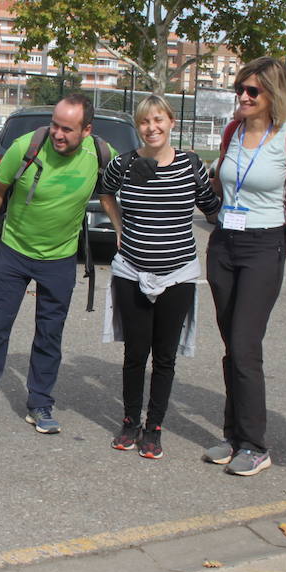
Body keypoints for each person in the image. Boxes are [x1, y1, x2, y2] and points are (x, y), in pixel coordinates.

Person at [0, 94, 105, 435]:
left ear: (87, 130)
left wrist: (124, 235)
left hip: (60, 258)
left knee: (50, 335)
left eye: (67, 128)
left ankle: (40, 404)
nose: (58, 133)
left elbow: (109, 196)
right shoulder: (27, 146)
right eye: (55, 124)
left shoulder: (99, 155)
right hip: (14, 251)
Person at [204, 56, 286, 476]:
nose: (243, 97)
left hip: (264, 246)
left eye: (253, 91)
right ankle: (233, 437)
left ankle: (255, 444)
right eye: (240, 90)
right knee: (233, 345)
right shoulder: (231, 132)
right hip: (225, 244)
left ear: (273, 94)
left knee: (247, 346)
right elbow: (217, 183)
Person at [99, 95, 220, 459]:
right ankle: (129, 421)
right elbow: (105, 195)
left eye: (158, 120)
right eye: (144, 122)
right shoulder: (123, 164)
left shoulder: (191, 166)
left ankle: (154, 428)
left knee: (164, 357)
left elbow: (212, 208)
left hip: (178, 273)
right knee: (136, 353)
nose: (152, 128)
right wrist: (119, 228)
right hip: (132, 270)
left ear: (171, 122)